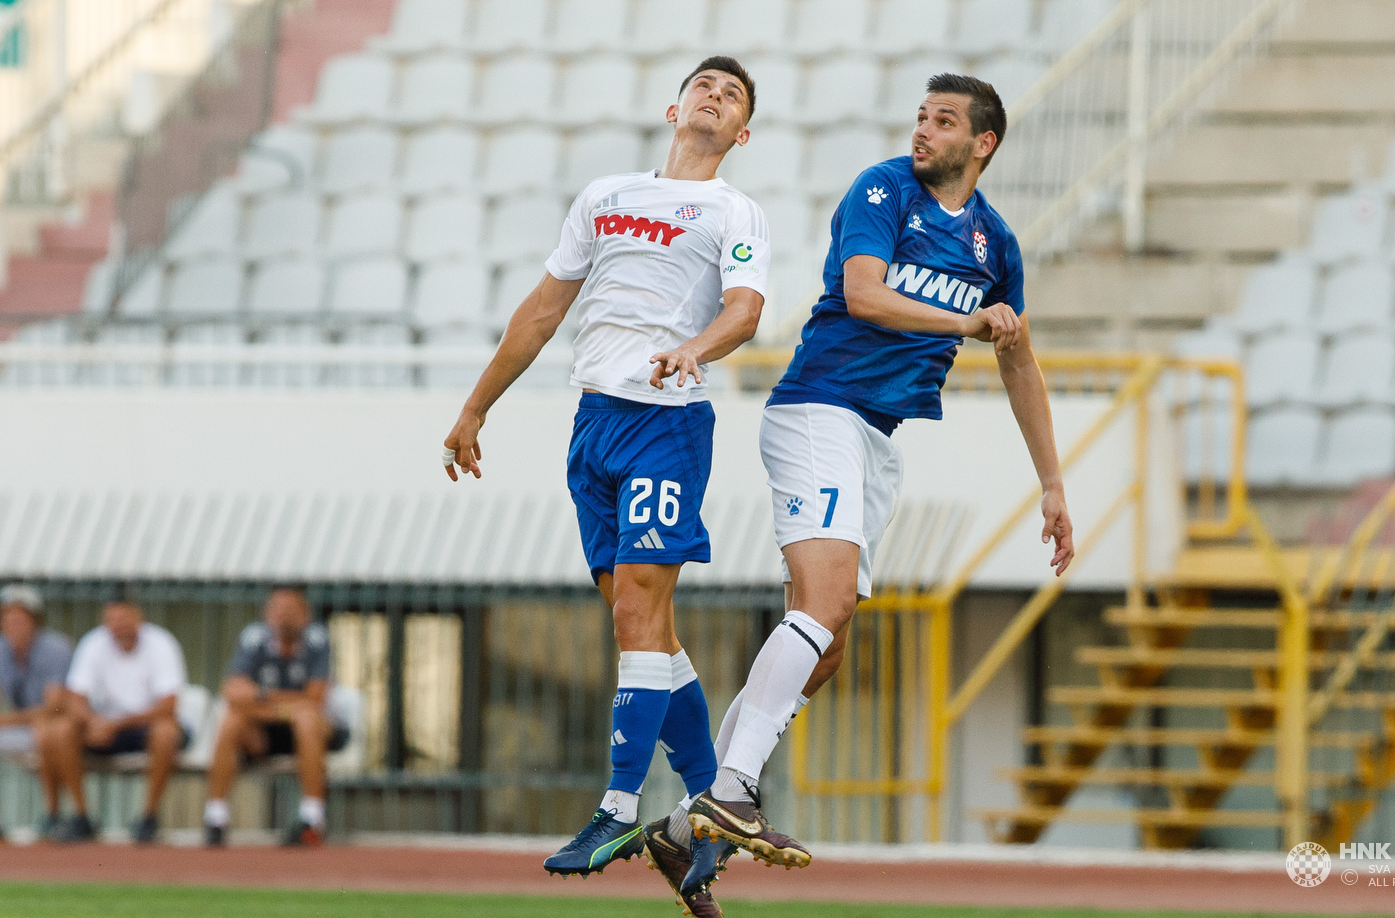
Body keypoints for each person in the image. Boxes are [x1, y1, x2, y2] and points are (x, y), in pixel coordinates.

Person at [685, 75, 1076, 887]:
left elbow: (1019, 361)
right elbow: (864, 295)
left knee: (823, 647)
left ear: (984, 144)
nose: (923, 132)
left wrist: (1052, 484)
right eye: (921, 118)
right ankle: (728, 794)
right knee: (821, 610)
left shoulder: (994, 244)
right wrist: (969, 320)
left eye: (943, 122)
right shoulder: (884, 187)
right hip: (819, 410)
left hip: (876, 440)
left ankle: (700, 817)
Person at [443, 57, 769, 916]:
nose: (715, 95)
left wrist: (696, 348)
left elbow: (746, 310)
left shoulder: (733, 210)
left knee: (635, 614)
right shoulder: (605, 196)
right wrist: (476, 407)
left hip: (666, 420)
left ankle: (617, 810)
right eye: (705, 84)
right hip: (593, 428)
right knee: (647, 629)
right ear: (674, 105)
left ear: (742, 135)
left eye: (732, 96)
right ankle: (710, 809)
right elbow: (544, 311)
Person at [204, 587, 347, 848]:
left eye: (291, 611)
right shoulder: (253, 638)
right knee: (232, 720)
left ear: (306, 615)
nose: (284, 618)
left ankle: (311, 820)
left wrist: (259, 697)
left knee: (307, 720)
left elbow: (314, 699)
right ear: (266, 614)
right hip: (265, 732)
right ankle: (216, 817)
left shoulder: (318, 640)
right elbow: (233, 692)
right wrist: (284, 704)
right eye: (278, 611)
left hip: (310, 732)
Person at [39, 594, 189, 844]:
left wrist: (116, 724)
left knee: (166, 733)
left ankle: (148, 817)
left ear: (138, 616)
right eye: (111, 619)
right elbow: (75, 698)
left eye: (123, 617)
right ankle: (80, 816)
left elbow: (168, 706)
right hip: (104, 727)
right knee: (60, 730)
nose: (117, 625)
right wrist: (93, 722)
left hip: (144, 727)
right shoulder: (93, 643)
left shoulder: (161, 642)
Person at [0, 584, 74, 839]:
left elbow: (52, 707)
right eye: (8, 619)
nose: (13, 625)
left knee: (46, 731)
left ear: (35, 621)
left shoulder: (55, 648)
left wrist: (7, 720)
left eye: (20, 619)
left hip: (58, 726)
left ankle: (53, 815)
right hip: (22, 726)